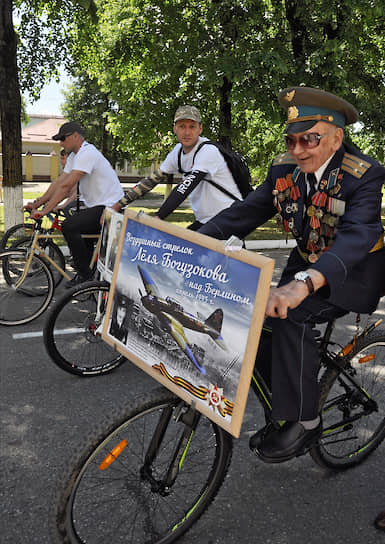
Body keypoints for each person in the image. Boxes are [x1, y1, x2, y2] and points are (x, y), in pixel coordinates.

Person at [198, 86, 385, 463]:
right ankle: (283, 407)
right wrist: (188, 241)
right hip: (305, 262)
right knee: (256, 321)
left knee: (292, 316)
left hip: (353, 271)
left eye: (309, 139)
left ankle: (306, 420)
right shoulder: (285, 170)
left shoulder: (363, 175)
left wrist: (304, 284)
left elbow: (357, 236)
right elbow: (244, 213)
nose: (297, 150)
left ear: (336, 138)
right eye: (291, 140)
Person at [113, 105, 243, 230]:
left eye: (192, 127)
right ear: (175, 129)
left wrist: (159, 216)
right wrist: (119, 205)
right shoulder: (178, 152)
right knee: (181, 245)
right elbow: (152, 180)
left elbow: (185, 187)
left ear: (200, 129)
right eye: (182, 126)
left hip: (229, 217)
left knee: (186, 246)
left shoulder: (208, 151)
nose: (187, 132)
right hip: (206, 220)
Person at [28, 121, 124, 287]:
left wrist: (45, 211)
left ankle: (84, 275)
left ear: (75, 136)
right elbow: (60, 182)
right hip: (96, 206)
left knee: (69, 226)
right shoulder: (74, 156)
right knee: (81, 235)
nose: (61, 143)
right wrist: (38, 203)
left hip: (110, 206)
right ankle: (89, 279)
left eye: (63, 139)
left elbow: (66, 187)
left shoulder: (87, 153)